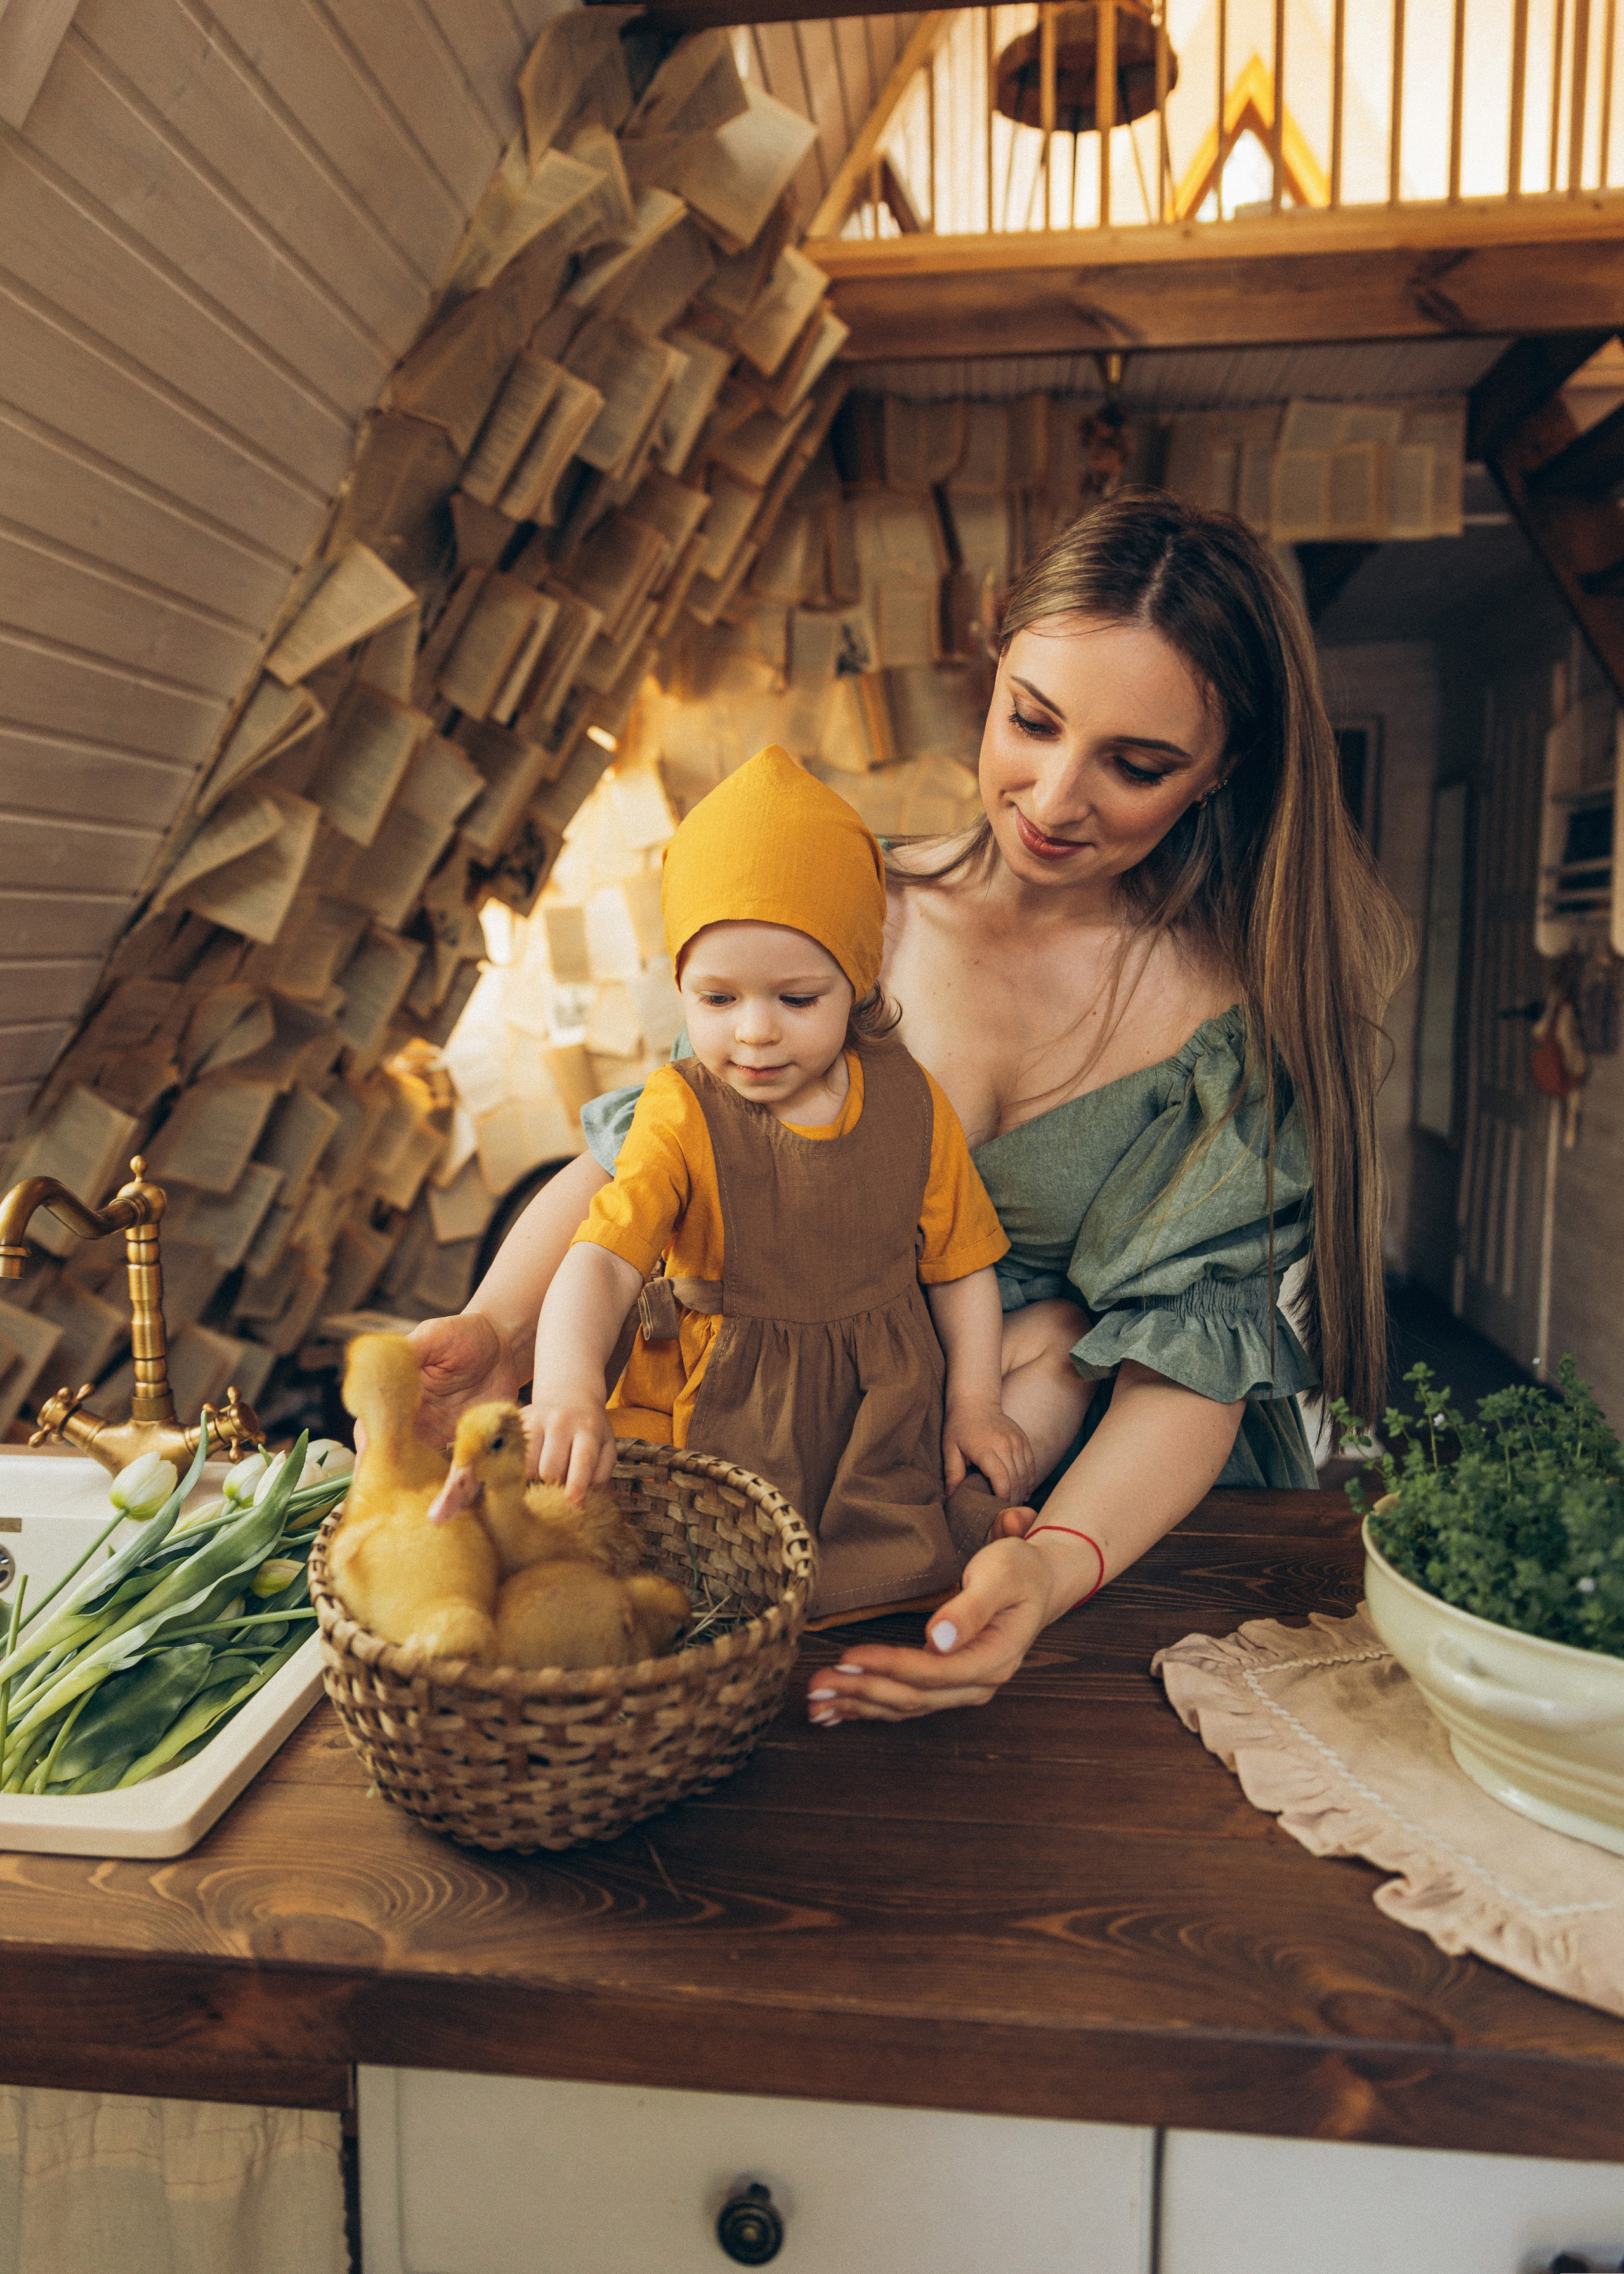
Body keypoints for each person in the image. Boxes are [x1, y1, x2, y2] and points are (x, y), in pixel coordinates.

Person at [407, 489, 1410, 1725]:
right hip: (773, 1462)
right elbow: (643, 1165)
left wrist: (1051, 1566)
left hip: (1082, 1520)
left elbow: (1184, 1369)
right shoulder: (840, 910)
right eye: (1030, 720)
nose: (1054, 798)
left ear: (1222, 772)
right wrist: (500, 1330)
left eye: (1136, 765)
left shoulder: (1227, 1030)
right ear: (992, 658)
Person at [527, 742, 1088, 1624]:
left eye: (796, 999)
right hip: (718, 1408)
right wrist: (565, 1385)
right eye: (717, 999)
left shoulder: (911, 1103)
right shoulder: (682, 1111)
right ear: (682, 986)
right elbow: (600, 1260)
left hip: (871, 1412)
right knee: (627, 1539)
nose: (755, 1032)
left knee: (955, 1467)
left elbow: (960, 1268)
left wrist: (976, 1404)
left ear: (856, 981)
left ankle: (966, 1528)